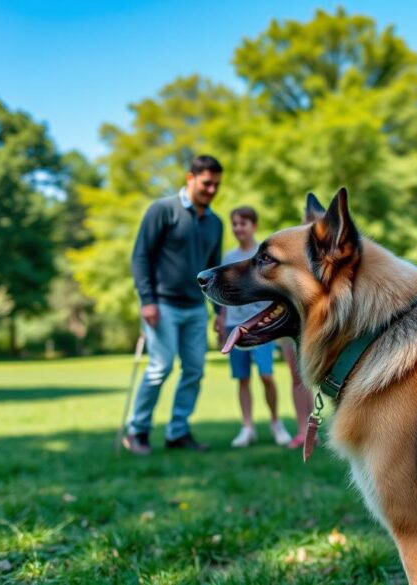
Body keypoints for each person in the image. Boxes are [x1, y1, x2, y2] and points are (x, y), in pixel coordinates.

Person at [122, 155, 224, 455]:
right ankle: (137, 432)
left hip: (195, 308)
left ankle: (177, 433)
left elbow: (214, 270)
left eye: (217, 185)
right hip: (162, 306)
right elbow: (141, 256)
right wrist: (147, 300)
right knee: (160, 367)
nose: (212, 190)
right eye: (207, 183)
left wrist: (219, 312)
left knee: (194, 370)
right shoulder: (163, 210)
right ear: (190, 177)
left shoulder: (215, 223)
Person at [219, 206, 294, 448]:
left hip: (261, 326)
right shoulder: (228, 258)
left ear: (254, 226)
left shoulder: (262, 254)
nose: (238, 228)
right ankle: (247, 427)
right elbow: (223, 293)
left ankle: (275, 422)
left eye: (243, 223)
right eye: (235, 223)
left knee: (266, 375)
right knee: (242, 379)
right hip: (234, 325)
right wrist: (220, 318)